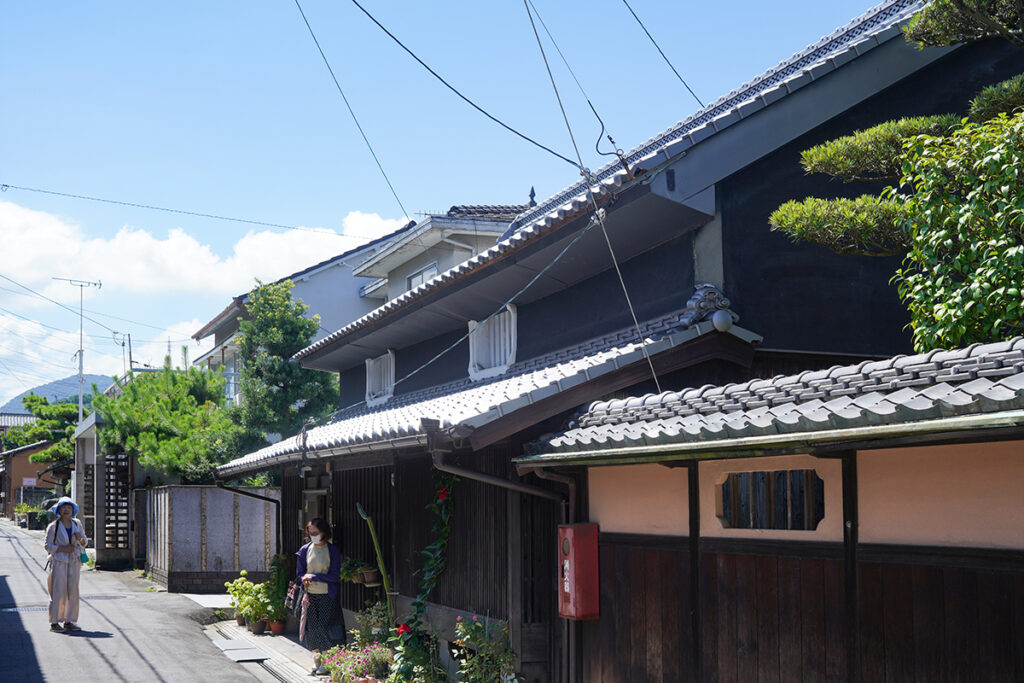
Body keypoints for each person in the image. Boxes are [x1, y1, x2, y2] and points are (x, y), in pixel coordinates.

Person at [296, 517, 341, 676]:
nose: (312, 535)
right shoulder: (304, 550)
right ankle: (316, 662)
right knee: (312, 630)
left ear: (324, 532)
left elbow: (335, 576)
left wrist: (313, 576)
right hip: (309, 596)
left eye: (316, 532)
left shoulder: (332, 550)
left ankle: (326, 663)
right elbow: (299, 573)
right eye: (310, 532)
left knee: (324, 628)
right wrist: (304, 578)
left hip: (328, 595)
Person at [44, 496, 88, 633]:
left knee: (72, 591)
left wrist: (78, 538)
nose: (66, 510)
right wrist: (63, 549)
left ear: (72, 510)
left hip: (74, 561)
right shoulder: (53, 526)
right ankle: (54, 622)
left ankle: (69, 621)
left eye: (69, 507)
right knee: (58, 591)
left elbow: (84, 542)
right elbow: (47, 546)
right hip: (59, 562)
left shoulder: (77, 524)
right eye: (63, 507)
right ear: (59, 510)